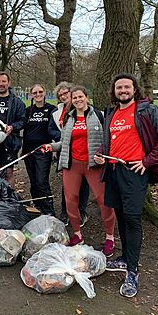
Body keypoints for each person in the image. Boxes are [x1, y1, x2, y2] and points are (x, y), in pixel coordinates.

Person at [94, 73, 158, 298]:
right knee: (120, 215)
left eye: (126, 87)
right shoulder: (111, 112)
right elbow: (109, 142)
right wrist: (102, 154)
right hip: (113, 171)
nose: (123, 91)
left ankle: (133, 271)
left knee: (132, 219)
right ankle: (124, 259)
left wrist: (148, 161)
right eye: (119, 87)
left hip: (134, 172)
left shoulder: (147, 110)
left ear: (134, 89)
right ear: (114, 91)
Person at [43, 86, 116, 257]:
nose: (77, 100)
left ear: (87, 97)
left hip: (93, 166)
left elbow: (108, 140)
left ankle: (110, 237)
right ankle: (77, 234)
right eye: (74, 98)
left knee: (103, 201)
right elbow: (64, 142)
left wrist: (104, 156)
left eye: (80, 97)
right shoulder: (69, 118)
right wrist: (50, 146)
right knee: (70, 201)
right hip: (72, 165)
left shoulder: (99, 116)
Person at [49, 82, 90, 226]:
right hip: (65, 151)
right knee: (67, 185)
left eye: (66, 93)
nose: (64, 96)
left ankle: (81, 212)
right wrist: (63, 137)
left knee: (84, 184)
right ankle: (65, 213)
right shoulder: (56, 112)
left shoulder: (83, 109)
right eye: (60, 95)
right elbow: (52, 130)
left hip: (84, 154)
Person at [22, 84, 55, 215]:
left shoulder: (51, 109)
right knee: (34, 181)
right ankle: (37, 207)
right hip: (28, 150)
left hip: (43, 151)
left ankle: (49, 211)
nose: (38, 94)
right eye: (35, 93)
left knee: (42, 181)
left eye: (40, 92)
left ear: (45, 93)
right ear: (31, 95)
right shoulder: (28, 110)